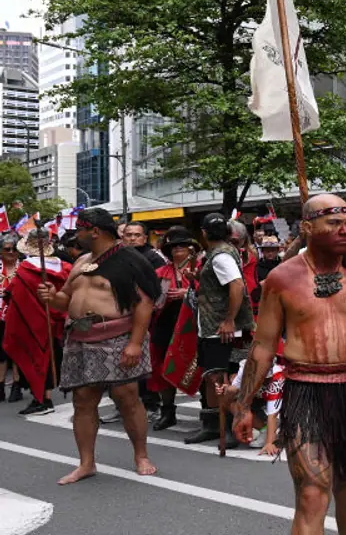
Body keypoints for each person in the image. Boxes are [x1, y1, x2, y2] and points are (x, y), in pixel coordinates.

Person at [230, 194, 346, 535]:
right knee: (312, 493)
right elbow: (263, 346)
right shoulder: (282, 278)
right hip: (305, 392)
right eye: (334, 223)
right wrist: (242, 406)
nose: (345, 230)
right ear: (308, 228)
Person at [36, 207, 164, 484]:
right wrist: (52, 297)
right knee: (82, 401)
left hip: (118, 337)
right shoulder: (82, 260)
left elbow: (144, 303)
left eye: (80, 230)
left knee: (127, 398)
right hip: (80, 338)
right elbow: (66, 300)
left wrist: (135, 343)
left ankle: (141, 455)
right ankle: (86, 463)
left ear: (94, 231)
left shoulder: (129, 260)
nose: (77, 235)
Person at [183, 213, 256, 446]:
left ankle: (231, 425)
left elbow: (236, 285)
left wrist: (229, 320)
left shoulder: (221, 256)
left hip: (220, 328)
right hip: (214, 326)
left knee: (219, 378)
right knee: (213, 377)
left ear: (203, 233)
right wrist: (198, 276)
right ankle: (213, 425)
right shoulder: (221, 252)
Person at [5, 230, 69, 417]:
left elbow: (14, 292)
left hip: (31, 321)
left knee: (36, 358)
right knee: (50, 357)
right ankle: (44, 397)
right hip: (56, 320)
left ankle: (42, 400)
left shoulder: (25, 269)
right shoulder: (64, 266)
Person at [149, 227, 199, 431]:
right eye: (173, 246)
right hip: (166, 324)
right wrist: (159, 299)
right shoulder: (161, 272)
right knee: (163, 367)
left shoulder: (200, 268)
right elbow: (152, 300)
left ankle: (208, 412)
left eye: (182, 245)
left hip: (193, 324)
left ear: (191, 248)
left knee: (199, 366)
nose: (178, 249)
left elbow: (211, 293)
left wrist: (187, 293)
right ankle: (167, 410)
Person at [0, 233, 21, 403]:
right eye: (7, 249)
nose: (11, 252)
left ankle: (16, 384)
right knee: (1, 353)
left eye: (14, 249)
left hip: (19, 315)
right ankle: (0, 386)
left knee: (16, 351)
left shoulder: (25, 268)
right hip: (0, 315)